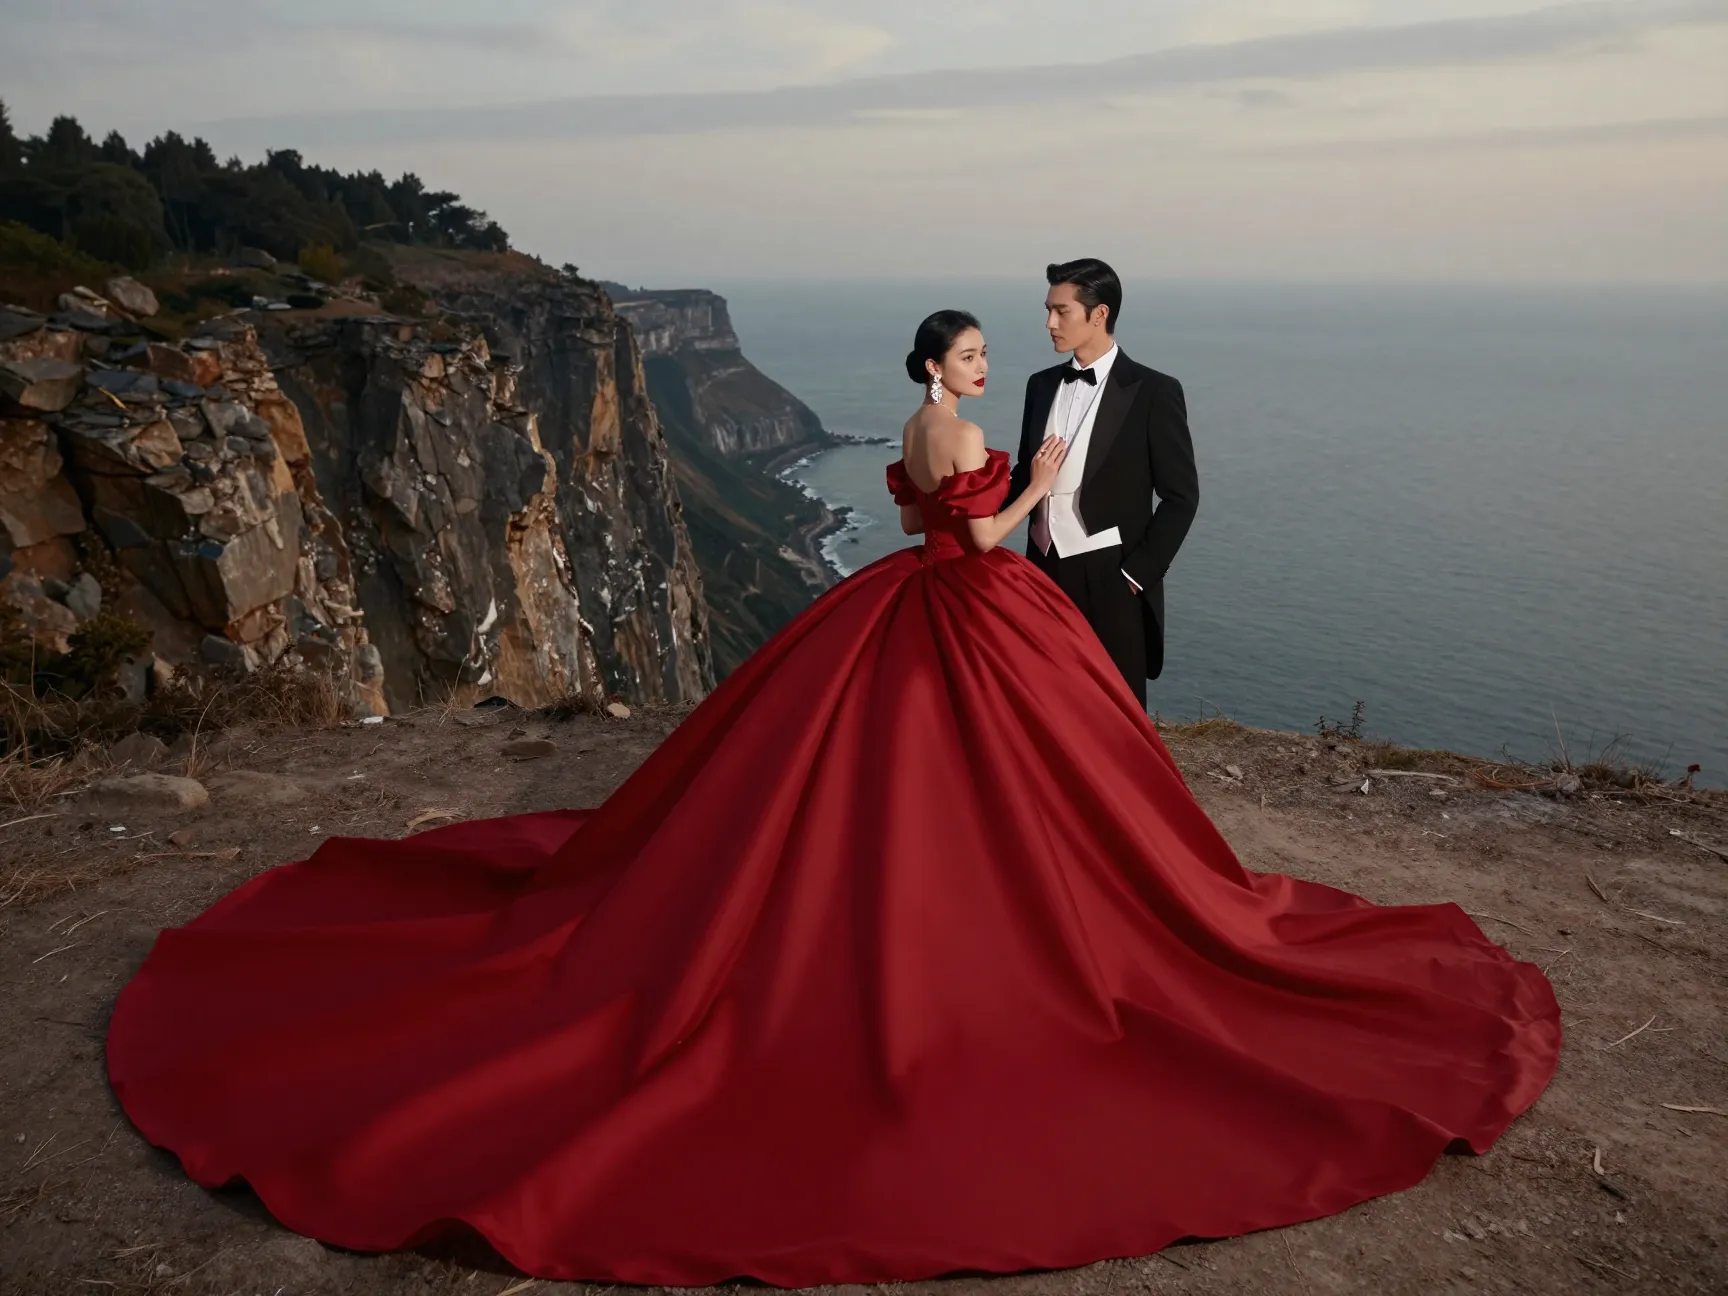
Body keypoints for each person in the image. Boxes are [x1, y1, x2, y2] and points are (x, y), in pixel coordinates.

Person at [106, 311, 1560, 1289]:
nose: (989, 364)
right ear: (936, 366)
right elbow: (971, 538)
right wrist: (1040, 481)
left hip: (943, 614)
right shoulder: (949, 433)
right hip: (969, 611)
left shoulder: (930, 425)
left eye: (993, 350)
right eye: (973, 353)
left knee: (933, 788)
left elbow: (935, 529)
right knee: (980, 797)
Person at [1011, 257, 1199, 702]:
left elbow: (1181, 497)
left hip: (1113, 575)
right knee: (1045, 700)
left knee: (1117, 707)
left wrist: (1136, 575)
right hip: (1042, 569)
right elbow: (1025, 474)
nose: (1049, 323)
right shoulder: (1040, 385)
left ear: (1099, 314)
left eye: (1061, 311)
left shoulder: (1154, 392)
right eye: (1048, 310)